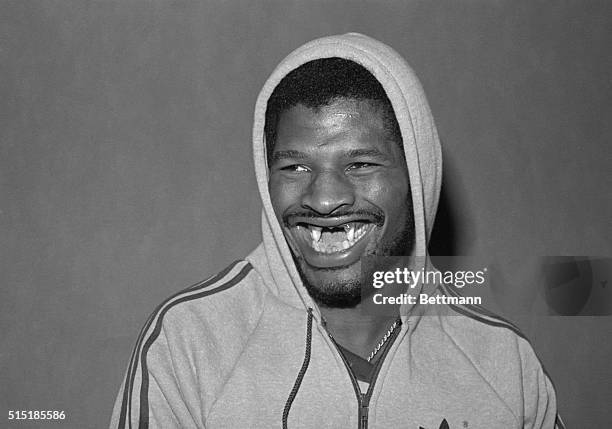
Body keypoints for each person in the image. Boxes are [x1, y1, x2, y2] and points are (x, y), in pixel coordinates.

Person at [110, 33, 563, 429]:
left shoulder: (504, 363)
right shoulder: (189, 343)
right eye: (295, 165)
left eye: (361, 164)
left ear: (416, 176)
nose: (324, 200)